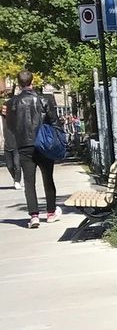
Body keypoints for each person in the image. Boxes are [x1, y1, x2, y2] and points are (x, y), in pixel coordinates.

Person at [3, 70, 61, 228]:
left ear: (19, 83)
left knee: (29, 182)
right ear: (32, 81)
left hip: (24, 145)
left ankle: (34, 215)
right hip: (43, 144)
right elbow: (54, 120)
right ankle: (50, 212)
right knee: (48, 179)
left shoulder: (11, 103)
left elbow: (10, 125)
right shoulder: (44, 99)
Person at [0, 91, 20, 187]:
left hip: (16, 144)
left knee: (17, 164)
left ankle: (17, 181)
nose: (4, 111)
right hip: (6, 145)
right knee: (9, 166)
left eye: (5, 109)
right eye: (2, 109)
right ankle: (15, 178)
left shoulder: (14, 118)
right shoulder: (1, 120)